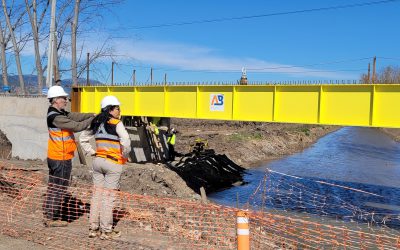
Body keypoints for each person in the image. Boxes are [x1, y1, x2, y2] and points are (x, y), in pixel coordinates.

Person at [79, 95, 131, 240]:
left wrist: (92, 152)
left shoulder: (96, 122)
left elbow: (82, 138)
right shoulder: (117, 123)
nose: (119, 111)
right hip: (113, 163)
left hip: (98, 161)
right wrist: (125, 155)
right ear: (110, 109)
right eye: (117, 108)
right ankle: (106, 230)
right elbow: (126, 141)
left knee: (97, 195)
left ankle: (93, 228)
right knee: (108, 197)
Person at [44, 85, 94, 227]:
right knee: (59, 187)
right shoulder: (56, 117)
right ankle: (51, 218)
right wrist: (92, 120)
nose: (66, 100)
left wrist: (92, 114)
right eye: (64, 98)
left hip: (57, 156)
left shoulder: (58, 113)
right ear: (56, 100)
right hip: (60, 158)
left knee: (54, 185)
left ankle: (50, 214)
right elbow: (76, 126)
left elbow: (75, 116)